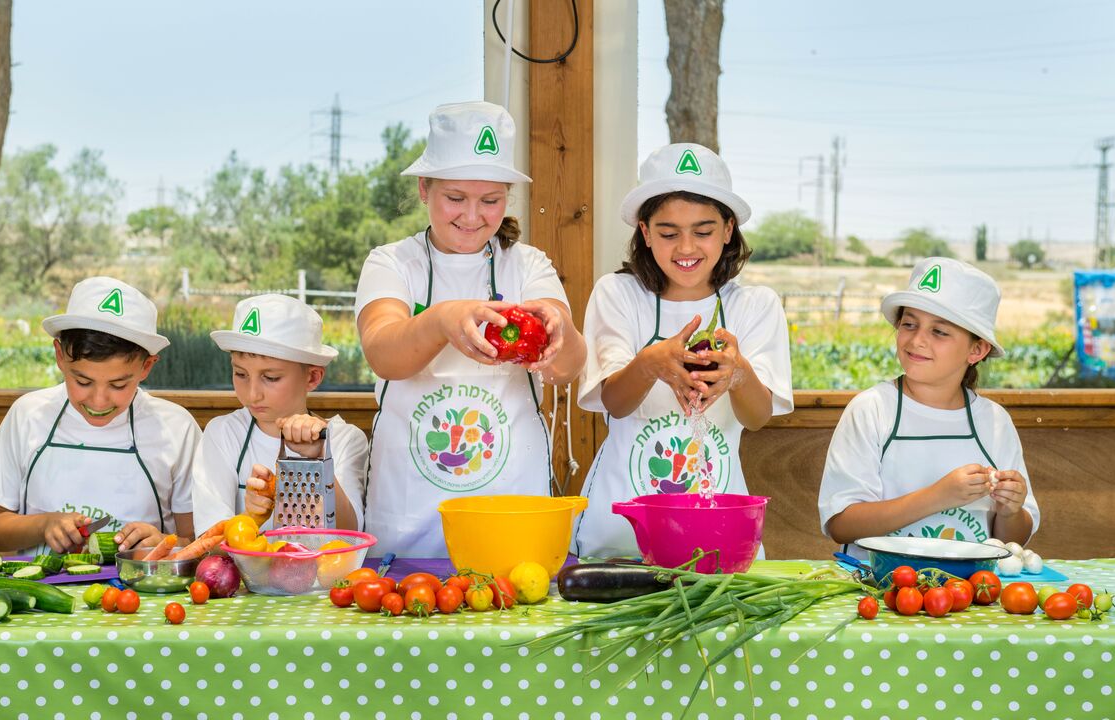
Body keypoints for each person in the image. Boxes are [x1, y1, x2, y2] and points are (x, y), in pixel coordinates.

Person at [354, 100, 587, 557]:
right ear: (424, 189)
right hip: (411, 511)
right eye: (455, 198)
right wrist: (443, 318)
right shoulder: (392, 263)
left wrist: (559, 330)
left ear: (507, 198)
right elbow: (383, 353)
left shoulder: (528, 265)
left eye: (491, 201)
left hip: (511, 505)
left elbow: (568, 367)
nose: (472, 215)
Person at [573, 143, 793, 559]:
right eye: (669, 233)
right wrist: (650, 363)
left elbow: (757, 417)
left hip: (719, 530)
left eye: (703, 231)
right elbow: (615, 403)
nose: (686, 248)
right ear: (645, 232)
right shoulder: (618, 294)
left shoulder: (755, 306)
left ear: (728, 230)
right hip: (619, 533)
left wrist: (738, 373)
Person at [819, 257, 1040, 558]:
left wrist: (1010, 510)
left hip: (967, 585)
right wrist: (938, 496)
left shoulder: (994, 421)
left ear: (977, 349)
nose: (917, 340)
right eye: (909, 324)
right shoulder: (872, 410)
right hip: (879, 582)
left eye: (939, 331)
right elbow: (841, 525)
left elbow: (1013, 540)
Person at [0, 277, 200, 555]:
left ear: (146, 367)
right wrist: (43, 524)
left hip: (139, 583)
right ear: (60, 356)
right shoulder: (28, 414)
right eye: (83, 381)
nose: (98, 401)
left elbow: (197, 540)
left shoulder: (176, 427)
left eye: (118, 385)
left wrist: (164, 542)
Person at [191, 294, 368, 534]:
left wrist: (320, 460)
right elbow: (209, 541)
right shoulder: (223, 433)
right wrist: (250, 518)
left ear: (312, 377)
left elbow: (350, 534)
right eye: (240, 374)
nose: (253, 394)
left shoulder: (345, 439)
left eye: (271, 378)